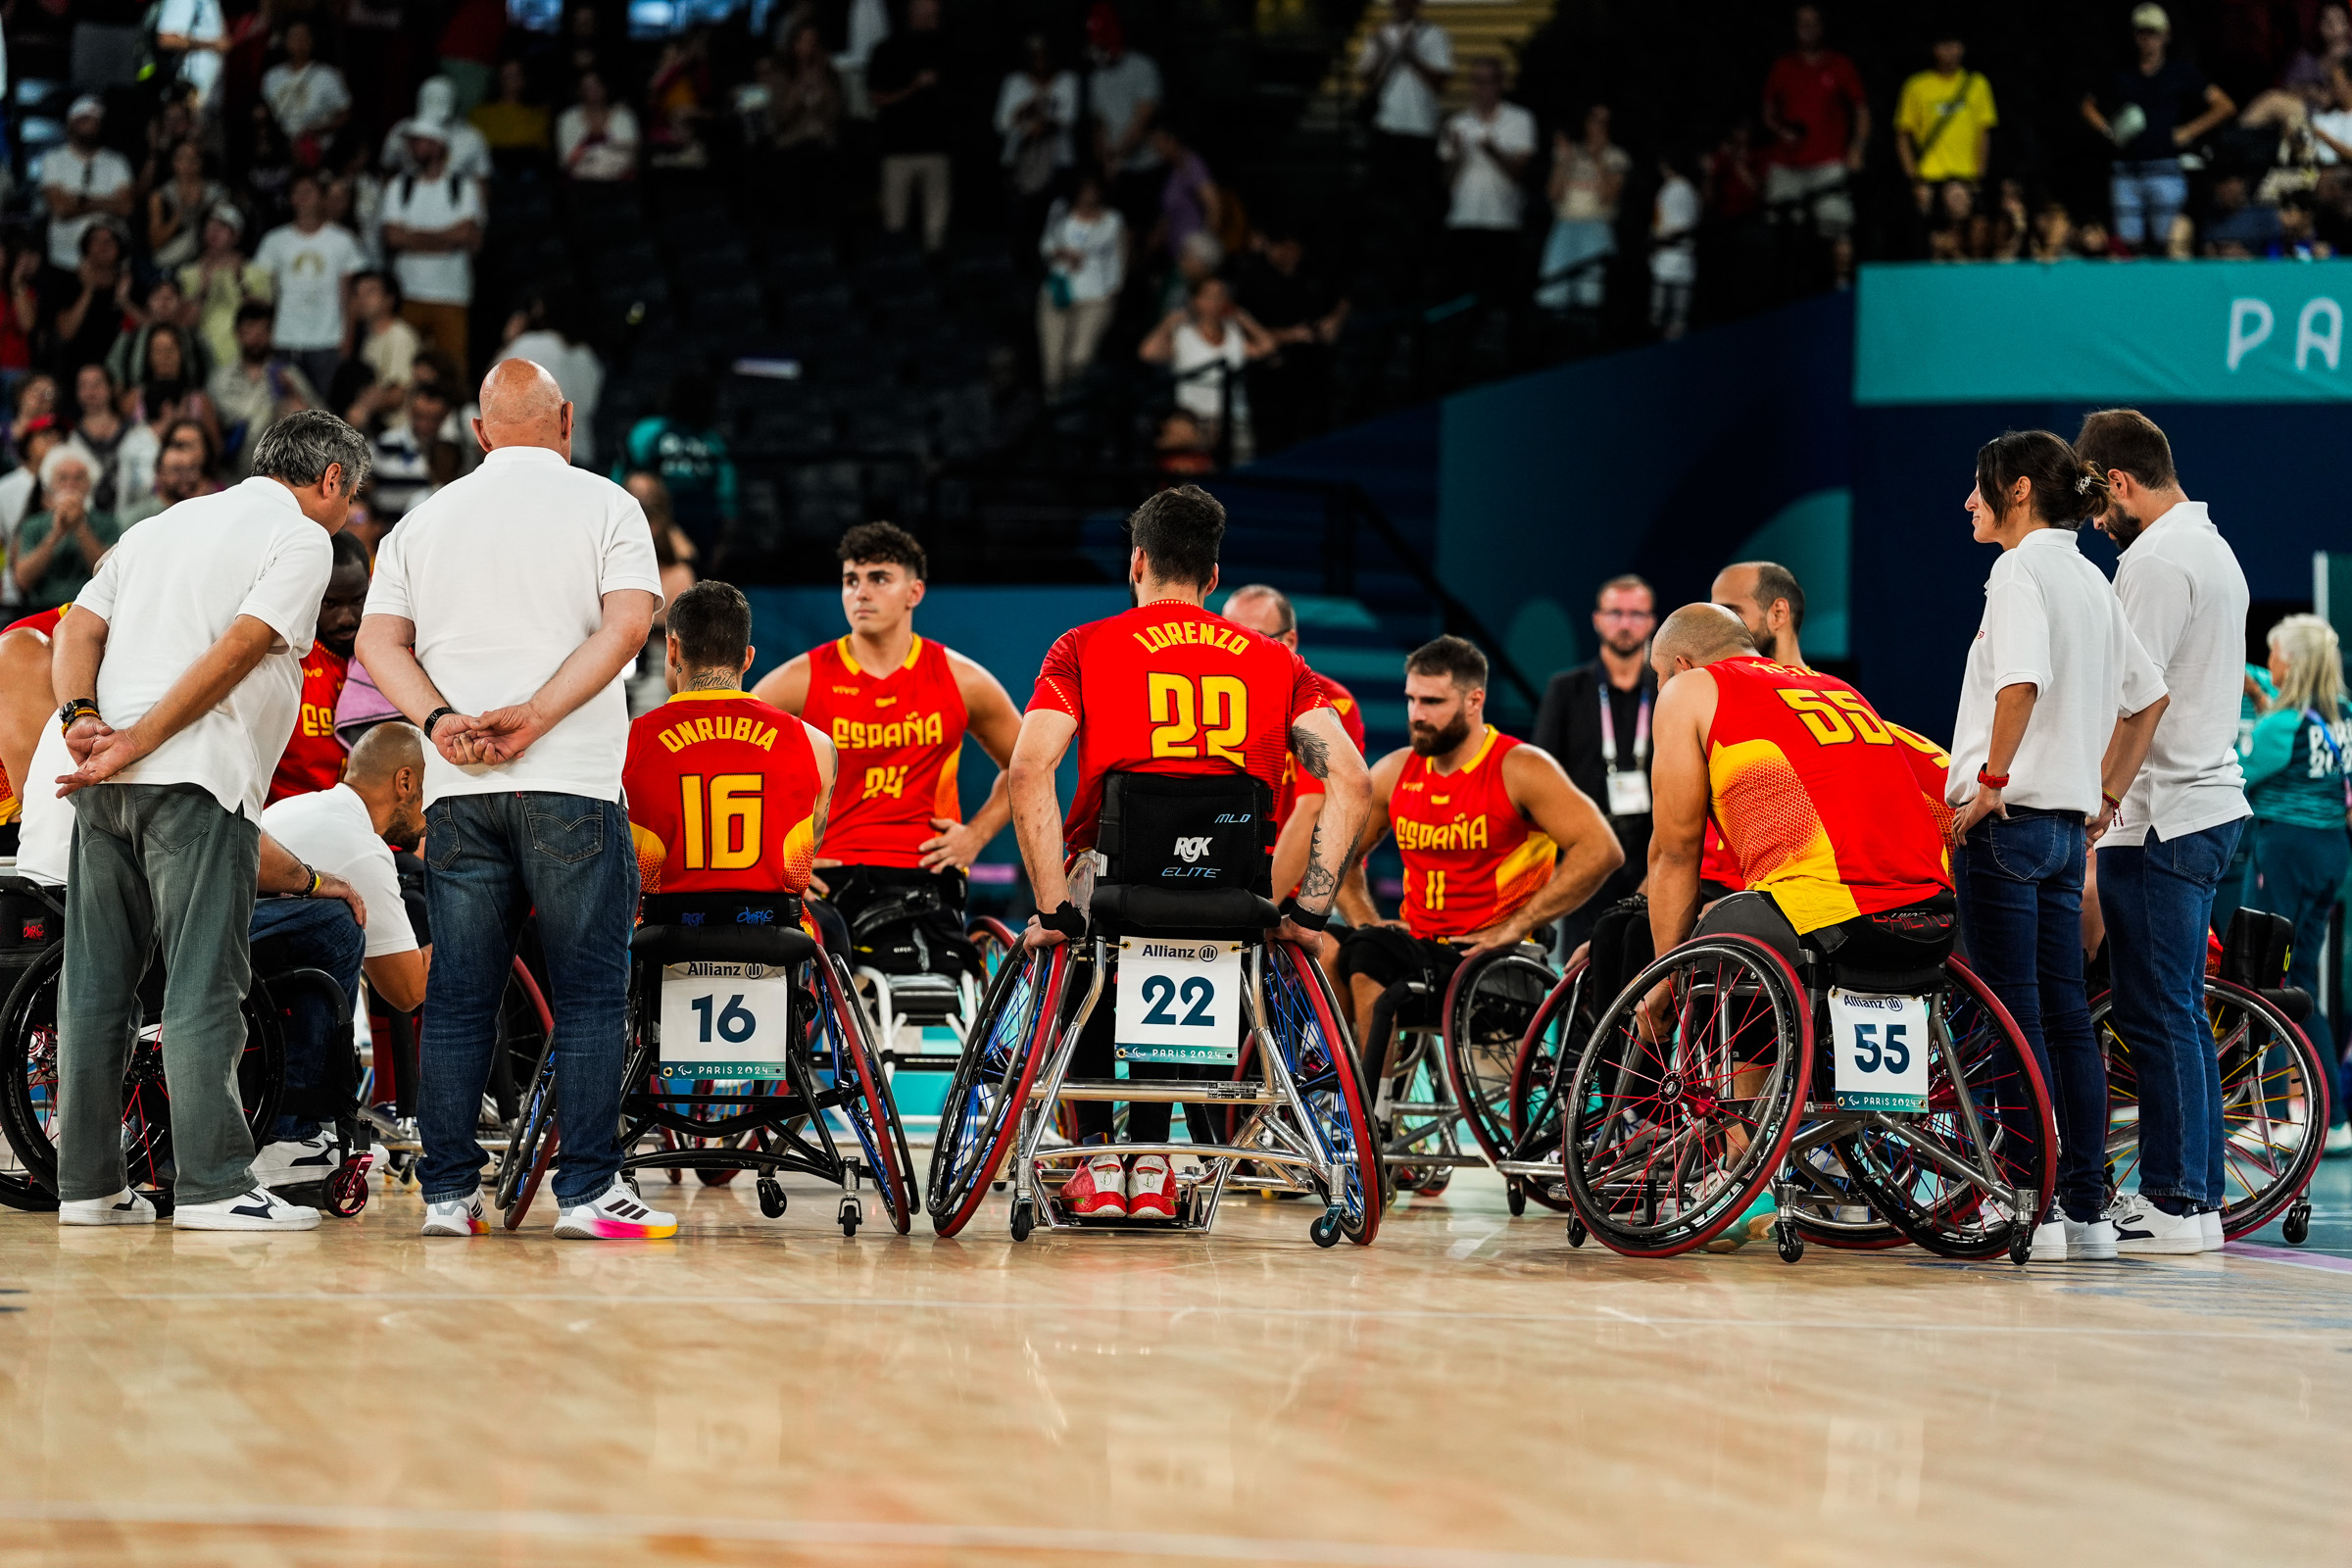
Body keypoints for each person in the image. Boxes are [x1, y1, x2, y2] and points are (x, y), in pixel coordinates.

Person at [355, 359, 667, 1242]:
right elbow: (630, 625)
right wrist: (534, 716)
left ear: (481, 432)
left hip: (459, 791)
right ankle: (588, 1196)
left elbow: (379, 639)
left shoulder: (423, 519)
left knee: (458, 997)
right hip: (569, 783)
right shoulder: (609, 505)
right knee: (591, 998)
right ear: (566, 419)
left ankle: (449, 1200)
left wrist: (440, 720)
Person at [1005, 484, 1371, 1220]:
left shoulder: (1082, 646)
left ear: (1137, 562)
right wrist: (1311, 909)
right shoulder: (1280, 663)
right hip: (1229, 889)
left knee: (1085, 937)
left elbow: (1027, 768)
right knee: (1190, 940)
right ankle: (1155, 1165)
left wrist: (1052, 908)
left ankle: (1101, 1161)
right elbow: (1353, 782)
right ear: (1212, 577)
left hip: (1115, 880)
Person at [49, 408, 367, 1232]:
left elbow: (77, 625)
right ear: (330, 480)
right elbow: (239, 648)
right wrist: (142, 738)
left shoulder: (160, 525)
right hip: (192, 782)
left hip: (103, 785)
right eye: (350, 496)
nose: (347, 513)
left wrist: (83, 716)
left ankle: (87, 1187)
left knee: (95, 989)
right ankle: (217, 1186)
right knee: (203, 985)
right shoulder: (301, 539)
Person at [1642, 604, 1958, 1249]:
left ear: (1679, 665)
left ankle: (1739, 1174)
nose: (1658, 692)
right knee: (1755, 934)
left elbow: (1673, 853)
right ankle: (1841, 1131)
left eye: (1657, 680)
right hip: (1931, 917)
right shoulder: (1836, 688)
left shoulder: (1689, 691)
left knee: (1718, 944)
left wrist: (1663, 981)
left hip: (1830, 913)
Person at [1944, 430, 2171, 1261]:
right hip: (2067, 833)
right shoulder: (2092, 577)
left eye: (1978, 488)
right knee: (2067, 1019)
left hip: (2007, 827)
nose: (1968, 503)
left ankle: (2023, 1207)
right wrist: (2106, 795)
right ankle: (2084, 1213)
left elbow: (2020, 682)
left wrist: (1993, 782)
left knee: (2011, 1022)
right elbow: (2150, 701)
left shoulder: (2019, 570)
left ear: (2017, 493)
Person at [2078, 408, 2255, 1254]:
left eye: (2093, 498)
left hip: (2162, 814)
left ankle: (2180, 1201)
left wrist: (2097, 800)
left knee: (2160, 1013)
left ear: (2119, 482)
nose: (2093, 520)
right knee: (2168, 1010)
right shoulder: (2210, 548)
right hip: (2195, 806)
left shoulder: (2153, 562)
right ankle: (2193, 1199)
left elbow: (2130, 701)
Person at [750, 522, 1021, 978]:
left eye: (879, 578)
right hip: (831, 877)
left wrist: (974, 837)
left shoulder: (961, 679)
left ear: (914, 592)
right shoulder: (802, 678)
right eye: (850, 580)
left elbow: (1027, 765)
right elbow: (729, 762)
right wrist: (781, 857)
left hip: (927, 875)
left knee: (938, 987)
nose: (861, 592)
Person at [1336, 634, 1620, 1051]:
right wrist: (1367, 922)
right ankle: (1361, 1099)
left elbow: (1601, 849)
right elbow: (1342, 858)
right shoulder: (1395, 771)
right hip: (1420, 952)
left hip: (1495, 959)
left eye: (1432, 702)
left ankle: (1369, 1102)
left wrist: (1520, 924)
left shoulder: (1520, 767)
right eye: (1411, 699)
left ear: (1474, 700)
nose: (1416, 714)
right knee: (1339, 946)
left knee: (1369, 955)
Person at [250, 720, 430, 1191]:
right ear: (406, 782)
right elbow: (407, 990)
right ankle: (290, 1132)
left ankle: (295, 1124)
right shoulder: (362, 849)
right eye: (434, 792)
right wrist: (466, 932)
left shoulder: (300, 806)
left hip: (221, 959)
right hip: (247, 967)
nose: (432, 813)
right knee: (337, 927)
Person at [624, 580, 834, 908]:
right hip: (774, 944)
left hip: (664, 943)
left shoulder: (627, 743)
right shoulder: (817, 745)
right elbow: (804, 857)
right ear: (747, 657)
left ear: (673, 649)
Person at [2240, 614, 2352, 1150]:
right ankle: (2330, 1120)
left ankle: (2272, 1118)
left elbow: (2241, 774)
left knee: (2263, 979)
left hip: (2283, 850)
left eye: (2275, 653)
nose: (2270, 662)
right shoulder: (2344, 716)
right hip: (2332, 854)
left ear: (2294, 662)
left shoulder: (2279, 726)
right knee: (2301, 976)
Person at [1532, 575, 1656, 954]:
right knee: (1582, 974)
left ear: (1651, 622)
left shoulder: (1671, 689)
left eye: (1636, 614)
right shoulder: (1566, 689)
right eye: (1615, 612)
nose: (1625, 623)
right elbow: (1542, 777)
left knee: (1648, 965)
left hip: (1655, 852)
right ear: (1597, 620)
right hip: (1587, 853)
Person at [2080, 4, 2235, 255]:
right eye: (2142, 32)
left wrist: (2188, 131)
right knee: (2127, 248)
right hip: (2126, 170)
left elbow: (2224, 105)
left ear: (2166, 36)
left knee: (2170, 243)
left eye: (2153, 32)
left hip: (2164, 168)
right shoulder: (2122, 74)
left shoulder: (2179, 73)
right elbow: (2087, 105)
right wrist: (2109, 131)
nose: (2147, 39)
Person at [1761, 5, 1869, 286]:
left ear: (1822, 27)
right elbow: (1768, 112)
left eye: (1813, 23)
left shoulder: (1840, 65)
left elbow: (1861, 109)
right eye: (1802, 24)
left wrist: (1857, 146)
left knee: (1837, 228)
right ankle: (1786, 293)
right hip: (1787, 164)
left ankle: (1841, 286)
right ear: (1794, 29)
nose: (1808, 29)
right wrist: (1780, 131)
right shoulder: (1783, 66)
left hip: (1828, 161)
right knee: (1782, 232)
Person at [267, 531, 369, 804]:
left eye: (358, 600)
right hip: (286, 826)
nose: (346, 618)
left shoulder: (393, 658)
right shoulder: (281, 662)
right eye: (331, 604)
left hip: (374, 830)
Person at [380, 123, 485, 369]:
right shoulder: (399, 186)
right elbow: (393, 237)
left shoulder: (463, 186)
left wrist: (412, 238)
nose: (414, 148)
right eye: (413, 142)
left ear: (439, 145)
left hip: (452, 293)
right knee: (403, 366)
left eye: (421, 141)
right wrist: (446, 240)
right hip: (408, 291)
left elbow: (468, 234)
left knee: (452, 367)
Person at [254, 173, 368, 398]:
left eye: (309, 192)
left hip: (328, 341)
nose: (303, 198)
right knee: (287, 412)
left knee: (325, 412)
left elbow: (351, 296)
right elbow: (265, 295)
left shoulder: (343, 240)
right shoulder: (274, 241)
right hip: (285, 339)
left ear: (323, 198)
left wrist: (348, 340)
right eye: (297, 192)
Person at [1139, 277, 1276, 464]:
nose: (1216, 302)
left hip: (1234, 419)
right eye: (1209, 296)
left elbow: (1267, 346)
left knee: (1241, 472)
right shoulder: (1183, 334)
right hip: (1195, 422)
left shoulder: (1234, 333)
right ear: (1195, 300)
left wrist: (1244, 318)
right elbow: (1148, 353)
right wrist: (1167, 323)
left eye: (1221, 296)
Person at [1442, 60, 1538, 315]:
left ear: (1500, 84)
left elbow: (1518, 173)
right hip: (1463, 220)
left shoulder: (1520, 119)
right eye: (1476, 81)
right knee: (1460, 298)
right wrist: (1456, 157)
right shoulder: (1457, 123)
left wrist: (1494, 151)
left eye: (1488, 81)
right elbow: (1446, 181)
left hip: (1502, 222)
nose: (1482, 88)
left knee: (1500, 297)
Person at [867, 0, 953, 254]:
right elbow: (877, 98)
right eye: (927, 12)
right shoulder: (887, 50)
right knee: (895, 227)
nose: (932, 18)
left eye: (936, 13)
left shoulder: (946, 50)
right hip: (898, 151)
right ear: (912, 13)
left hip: (937, 150)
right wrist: (914, 87)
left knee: (936, 234)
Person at [1355, 0, 1453, 216]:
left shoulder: (1434, 35)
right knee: (1384, 196)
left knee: (1419, 197)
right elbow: (1366, 77)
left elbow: (1440, 81)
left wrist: (1411, 56)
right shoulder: (1380, 35)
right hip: (1386, 125)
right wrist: (1386, 54)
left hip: (1421, 127)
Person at [1037, 174, 1127, 401]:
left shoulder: (1113, 221)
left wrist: (1114, 289)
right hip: (1059, 291)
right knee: (1052, 359)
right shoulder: (1060, 210)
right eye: (1084, 189)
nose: (1089, 194)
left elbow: (1119, 258)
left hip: (1096, 297)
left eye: (1093, 189)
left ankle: (1072, 406)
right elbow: (1046, 244)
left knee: (1080, 358)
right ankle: (1053, 407)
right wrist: (1062, 253)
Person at [209, 302, 320, 477]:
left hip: (279, 470)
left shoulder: (288, 375)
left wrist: (293, 394)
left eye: (262, 332)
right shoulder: (220, 379)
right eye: (249, 331)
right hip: (229, 469)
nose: (255, 338)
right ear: (237, 335)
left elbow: (322, 421)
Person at [1896, 27, 1998, 216]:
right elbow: (1903, 135)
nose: (1951, 51)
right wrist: (1914, 179)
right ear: (1934, 49)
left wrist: (1979, 177)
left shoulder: (1977, 84)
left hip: (1966, 176)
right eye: (1944, 45)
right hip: (1929, 176)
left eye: (1955, 45)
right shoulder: (1916, 86)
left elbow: (1984, 133)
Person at [1538, 105, 1629, 315]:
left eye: (1605, 122)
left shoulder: (1616, 155)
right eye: (1595, 120)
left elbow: (1609, 198)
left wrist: (1598, 159)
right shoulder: (1570, 151)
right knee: (1553, 292)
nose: (1599, 126)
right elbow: (1553, 194)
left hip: (1596, 226)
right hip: (1564, 224)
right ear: (1586, 122)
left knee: (1591, 296)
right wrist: (1564, 160)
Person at [12, 445, 121, 610]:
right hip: (41, 610)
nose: (71, 484)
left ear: (90, 483)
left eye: (79, 478)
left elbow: (110, 575)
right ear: (50, 484)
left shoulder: (108, 524)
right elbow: (22, 581)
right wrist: (56, 534)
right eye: (62, 478)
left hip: (91, 610)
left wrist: (80, 527)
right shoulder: (33, 525)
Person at [1084, 3, 1165, 224]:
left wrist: (1119, 154)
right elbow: (1098, 123)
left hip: (1146, 164)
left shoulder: (1142, 67)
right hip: (1115, 171)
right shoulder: (1096, 77)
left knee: (1148, 224)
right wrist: (1104, 162)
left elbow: (1143, 117)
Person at [38, 98, 136, 274]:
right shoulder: (53, 159)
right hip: (66, 260)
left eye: (95, 121)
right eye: (84, 120)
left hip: (111, 264)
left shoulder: (116, 162)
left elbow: (126, 207)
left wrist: (80, 200)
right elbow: (61, 209)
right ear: (70, 124)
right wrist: (108, 202)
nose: (90, 126)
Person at [180, 207, 274, 375]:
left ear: (236, 236)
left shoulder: (257, 272)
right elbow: (185, 324)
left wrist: (240, 281)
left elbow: (262, 319)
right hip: (202, 359)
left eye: (222, 227)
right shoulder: (188, 273)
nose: (213, 232)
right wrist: (203, 290)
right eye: (210, 227)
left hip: (243, 359)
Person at [260, 21, 353, 158]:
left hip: (317, 147)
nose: (299, 43)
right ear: (285, 41)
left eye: (304, 38)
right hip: (280, 147)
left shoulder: (327, 75)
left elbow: (345, 113)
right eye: (294, 37)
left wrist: (317, 129)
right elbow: (263, 111)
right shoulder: (272, 76)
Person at [345, 270, 420, 430]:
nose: (362, 299)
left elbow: (399, 394)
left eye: (370, 292)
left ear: (389, 299)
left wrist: (363, 406)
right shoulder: (368, 338)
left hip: (396, 428)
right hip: (375, 424)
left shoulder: (400, 336)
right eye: (357, 293)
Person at [148, 140, 228, 274]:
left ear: (201, 162)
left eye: (193, 159)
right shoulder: (161, 196)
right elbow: (155, 241)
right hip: (170, 262)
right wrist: (182, 211)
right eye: (181, 158)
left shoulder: (216, 193)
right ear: (173, 162)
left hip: (206, 263)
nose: (187, 164)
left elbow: (226, 233)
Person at [556, 70, 642, 183]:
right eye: (588, 86)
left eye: (598, 84)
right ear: (579, 90)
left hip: (621, 183)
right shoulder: (568, 118)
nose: (594, 90)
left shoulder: (624, 116)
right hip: (581, 184)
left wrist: (591, 153)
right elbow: (567, 158)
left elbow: (631, 154)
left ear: (605, 87)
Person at [1649, 152, 1700, 341]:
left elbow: (1683, 226)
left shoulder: (1682, 190)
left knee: (1675, 317)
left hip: (1676, 256)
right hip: (1666, 259)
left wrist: (1659, 243)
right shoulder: (1669, 189)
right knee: (1660, 315)